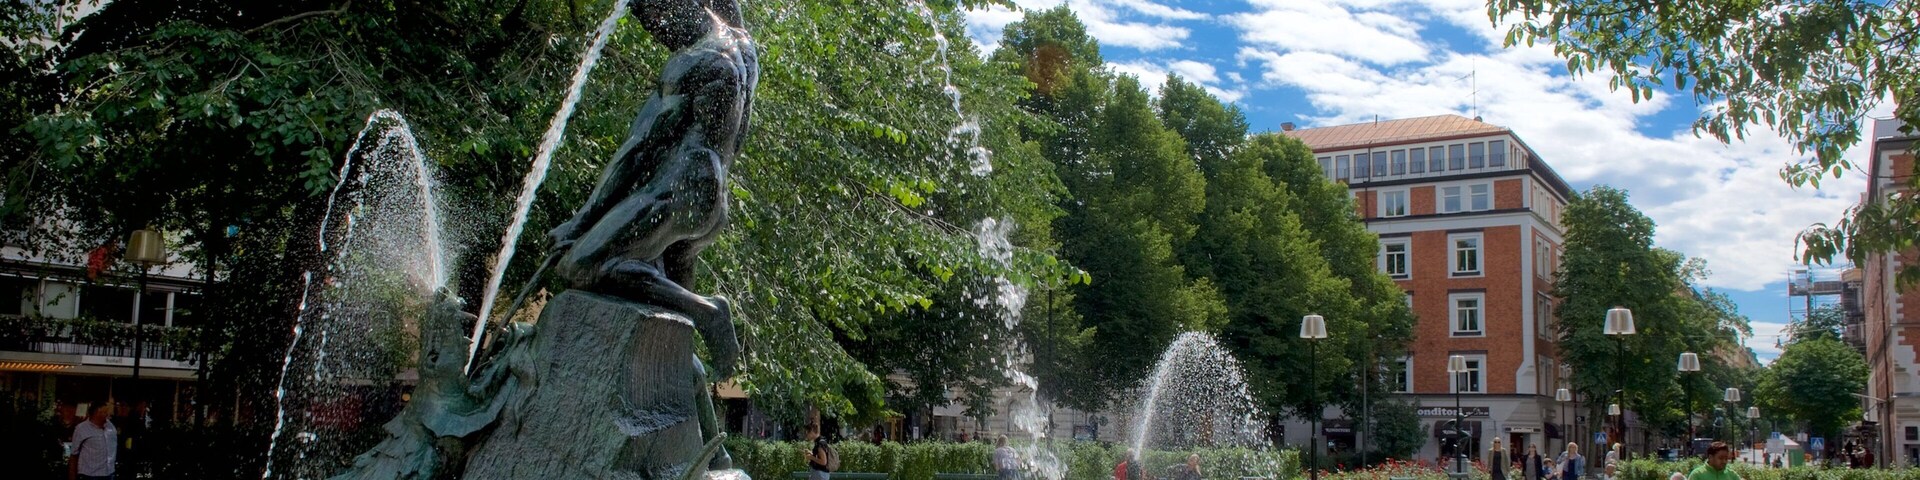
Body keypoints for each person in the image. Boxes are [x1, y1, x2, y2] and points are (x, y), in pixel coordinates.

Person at [69, 403, 116, 480]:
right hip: (89, 475)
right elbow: (74, 455)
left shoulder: (110, 426)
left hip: (110, 473)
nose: (108, 415)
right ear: (96, 413)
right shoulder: (81, 429)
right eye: (105, 412)